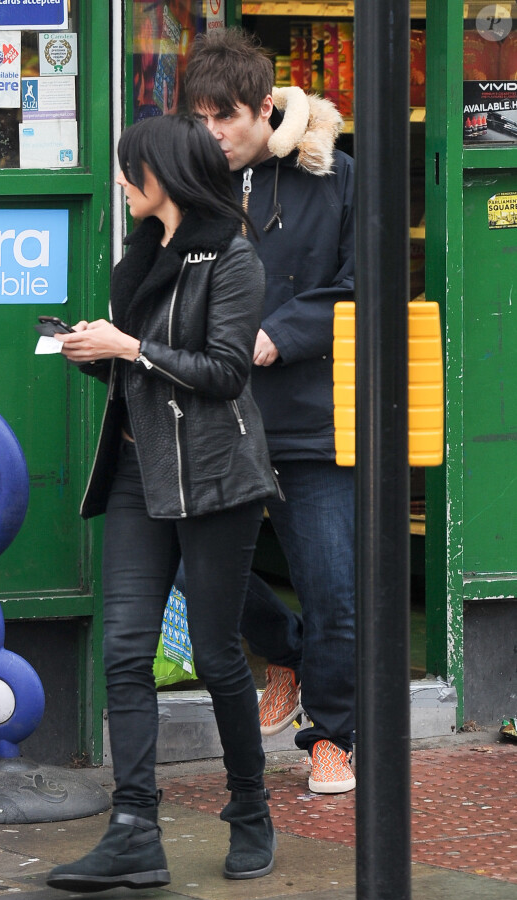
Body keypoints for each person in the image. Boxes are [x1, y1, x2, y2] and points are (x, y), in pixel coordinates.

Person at [46, 113, 278, 892]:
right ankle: (134, 830)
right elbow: (140, 380)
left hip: (214, 480)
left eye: (127, 170)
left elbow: (224, 374)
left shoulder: (233, 259)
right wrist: (94, 351)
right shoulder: (137, 261)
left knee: (216, 656)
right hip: (139, 477)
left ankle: (251, 809)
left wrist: (132, 347)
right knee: (123, 652)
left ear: (162, 177)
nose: (119, 182)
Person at [181, 28, 356, 795]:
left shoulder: (336, 177)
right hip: (216, 415)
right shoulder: (188, 180)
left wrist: (280, 336)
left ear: (266, 108)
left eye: (228, 118)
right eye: (202, 118)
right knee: (187, 566)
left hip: (308, 417)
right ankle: (282, 651)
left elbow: (364, 285)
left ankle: (332, 737)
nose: (214, 134)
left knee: (334, 588)